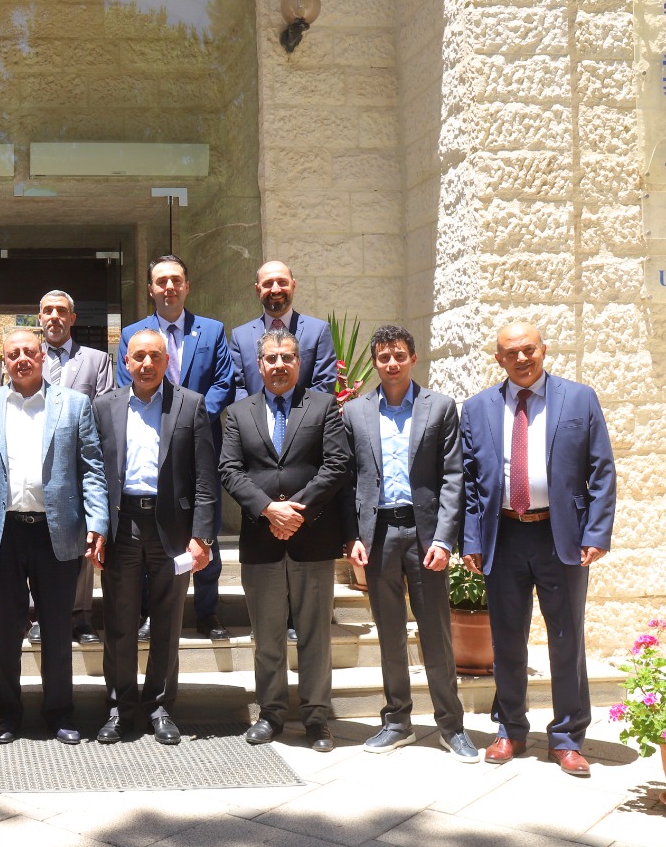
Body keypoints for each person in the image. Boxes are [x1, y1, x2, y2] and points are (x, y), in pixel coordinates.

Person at [461, 322, 616, 776]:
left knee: (566, 639)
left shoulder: (579, 399)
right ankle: (510, 729)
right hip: (504, 535)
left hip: (560, 537)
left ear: (543, 350)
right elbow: (470, 483)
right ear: (499, 359)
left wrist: (596, 533)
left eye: (528, 349)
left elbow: (602, 469)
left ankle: (567, 738)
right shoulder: (478, 408)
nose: (521, 358)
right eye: (511, 353)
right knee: (507, 639)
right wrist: (471, 540)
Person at [342, 325, 476, 762]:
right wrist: (352, 537)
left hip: (425, 537)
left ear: (413, 358)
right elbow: (347, 480)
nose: (392, 363)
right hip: (378, 535)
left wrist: (445, 539)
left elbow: (453, 476)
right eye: (383, 357)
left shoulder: (439, 407)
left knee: (436, 633)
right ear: (375, 363)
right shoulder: (355, 412)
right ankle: (397, 721)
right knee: (390, 634)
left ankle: (451, 726)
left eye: (399, 355)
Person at [0, 329, 108, 745]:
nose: (22, 359)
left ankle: (60, 712)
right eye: (13, 354)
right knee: (5, 632)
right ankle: (6, 715)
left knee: (57, 629)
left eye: (29, 351)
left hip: (57, 532)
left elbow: (92, 468)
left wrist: (97, 522)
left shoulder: (74, 404)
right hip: (5, 532)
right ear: (3, 361)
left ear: (43, 356)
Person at [219, 328, 352, 750]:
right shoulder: (238, 412)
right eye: (271, 358)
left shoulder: (324, 406)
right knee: (268, 636)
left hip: (312, 537)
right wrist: (267, 509)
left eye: (287, 357)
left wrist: (297, 511)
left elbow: (337, 464)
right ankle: (271, 712)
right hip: (261, 540)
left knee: (315, 635)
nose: (279, 365)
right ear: (259, 365)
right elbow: (229, 470)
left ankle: (316, 717)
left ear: (299, 362)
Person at [92, 329, 217, 746]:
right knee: (119, 620)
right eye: (139, 356)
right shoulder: (104, 406)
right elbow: (93, 473)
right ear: (126, 361)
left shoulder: (190, 404)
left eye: (155, 356)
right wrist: (96, 527)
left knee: (167, 620)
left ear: (167, 361)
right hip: (122, 524)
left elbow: (205, 477)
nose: (147, 364)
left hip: (172, 528)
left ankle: (159, 707)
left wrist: (202, 536)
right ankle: (119, 707)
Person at [116, 255, 235, 640]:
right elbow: (125, 383)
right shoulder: (133, 333)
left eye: (176, 280)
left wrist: (189, 420)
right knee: (154, 535)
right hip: (150, 447)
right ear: (150, 289)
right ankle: (151, 612)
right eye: (161, 281)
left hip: (200, 445)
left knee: (204, 527)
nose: (169, 287)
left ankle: (207, 611)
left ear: (187, 286)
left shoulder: (212, 331)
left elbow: (224, 383)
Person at [38, 289, 114, 645]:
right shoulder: (29, 357)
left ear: (73, 318)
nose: (54, 316)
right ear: (40, 318)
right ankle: (39, 616)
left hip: (80, 463)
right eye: (48, 311)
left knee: (81, 539)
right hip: (38, 464)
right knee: (40, 541)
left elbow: (105, 410)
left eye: (61, 310)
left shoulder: (96, 360)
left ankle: (81, 616)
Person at [228, 260, 338, 400]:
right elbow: (237, 387)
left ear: (293, 285)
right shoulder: (240, 337)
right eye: (268, 284)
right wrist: (253, 413)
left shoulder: (318, 331)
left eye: (282, 282)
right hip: (252, 414)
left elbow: (324, 384)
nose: (275, 289)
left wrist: (297, 413)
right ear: (257, 289)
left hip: (307, 413)